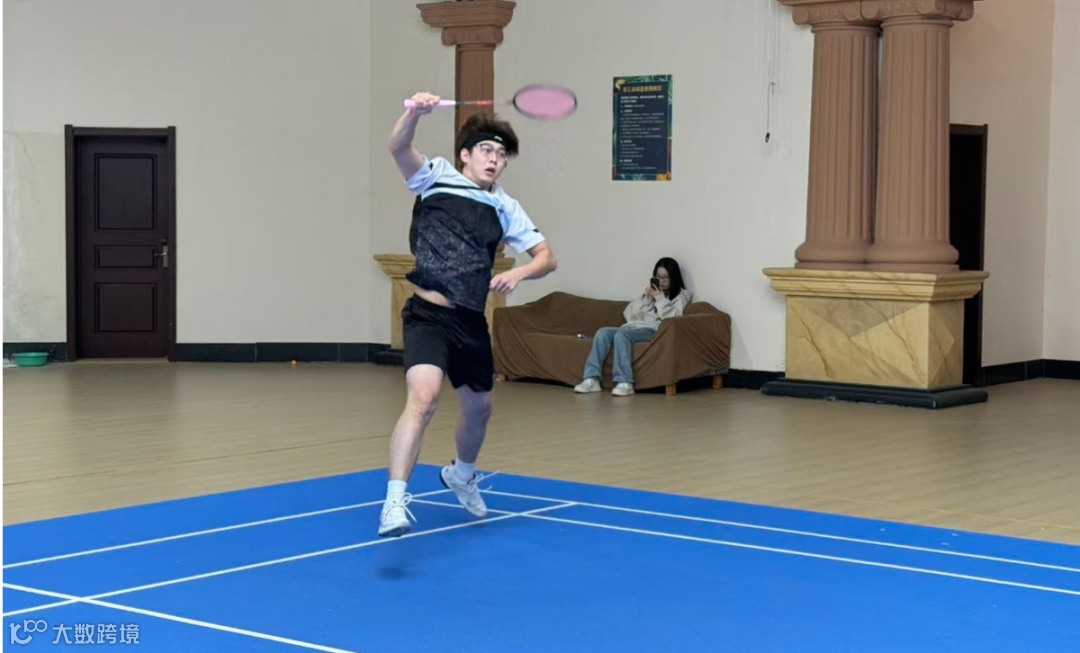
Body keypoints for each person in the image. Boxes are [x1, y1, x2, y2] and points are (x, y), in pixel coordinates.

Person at [379, 92, 558, 537]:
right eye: (486, 150)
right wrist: (413, 113)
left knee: (479, 410)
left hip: (470, 321)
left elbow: (546, 257)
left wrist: (520, 272)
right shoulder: (435, 175)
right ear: (465, 154)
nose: (494, 159)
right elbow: (398, 147)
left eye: (501, 154)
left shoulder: (505, 207)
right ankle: (395, 501)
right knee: (424, 398)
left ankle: (461, 474)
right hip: (427, 315)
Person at [574, 258, 690, 396]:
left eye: (666, 277)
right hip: (633, 327)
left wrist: (660, 298)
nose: (662, 281)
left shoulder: (681, 296)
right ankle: (591, 379)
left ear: (673, 277)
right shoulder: (650, 294)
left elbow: (673, 318)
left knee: (622, 335)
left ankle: (625, 382)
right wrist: (646, 300)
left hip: (654, 330)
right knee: (602, 332)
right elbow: (629, 315)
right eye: (659, 277)